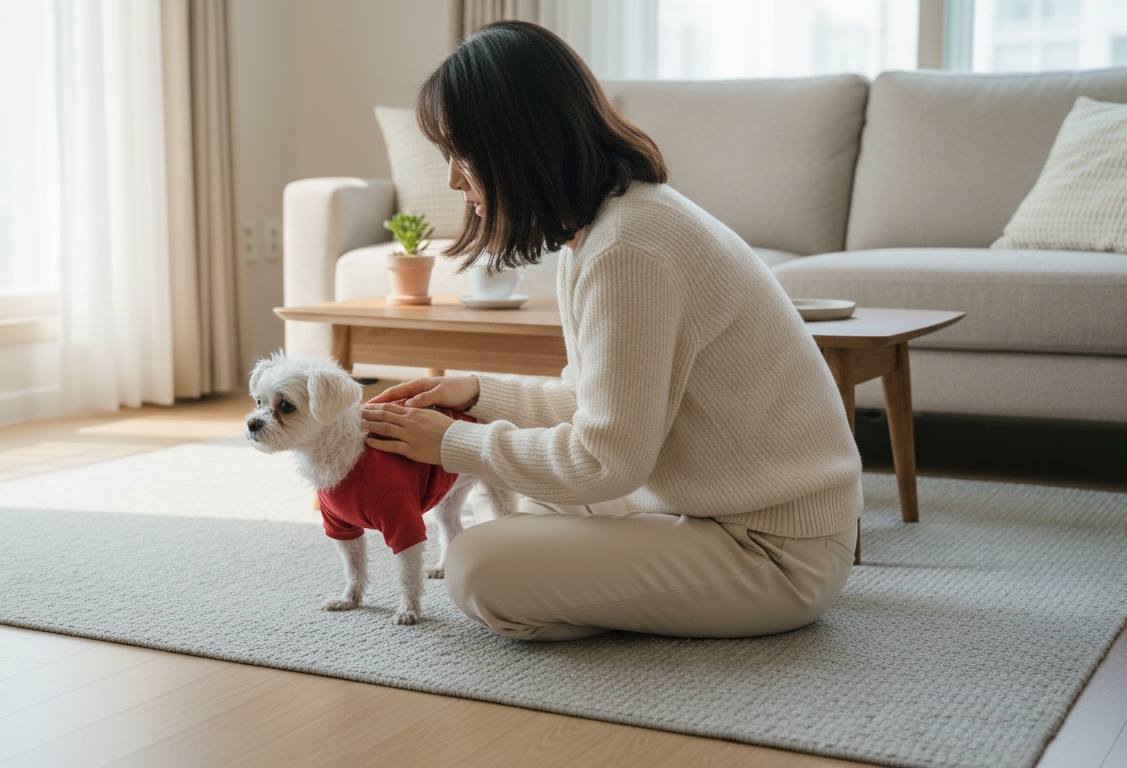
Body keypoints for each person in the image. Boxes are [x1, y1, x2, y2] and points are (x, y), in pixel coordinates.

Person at [359, 21, 862, 642]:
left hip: (776, 551)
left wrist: (452, 446)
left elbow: (605, 460)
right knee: (533, 498)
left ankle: (620, 598)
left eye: (463, 155)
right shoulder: (605, 226)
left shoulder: (629, 248)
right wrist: (476, 394)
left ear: (518, 146)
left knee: (476, 566)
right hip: (708, 503)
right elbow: (597, 406)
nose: (456, 183)